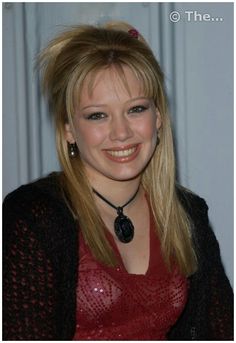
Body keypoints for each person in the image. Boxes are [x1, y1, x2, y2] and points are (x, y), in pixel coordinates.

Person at [3, 21, 233, 341]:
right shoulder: (32, 217)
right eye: (98, 115)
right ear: (68, 127)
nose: (121, 133)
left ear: (158, 117)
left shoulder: (189, 213)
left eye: (136, 109)